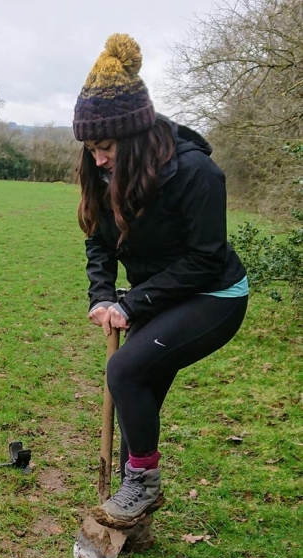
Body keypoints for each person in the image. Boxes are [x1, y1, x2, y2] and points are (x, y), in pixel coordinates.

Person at [73, 34, 248, 529]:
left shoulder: (197, 174)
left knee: (125, 371)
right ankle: (135, 522)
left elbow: (206, 260)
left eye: (105, 147)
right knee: (138, 394)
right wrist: (104, 294)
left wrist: (135, 303)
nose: (97, 159)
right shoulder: (102, 174)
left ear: (133, 136)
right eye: (89, 148)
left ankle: (143, 486)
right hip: (159, 294)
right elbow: (98, 242)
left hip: (214, 295)